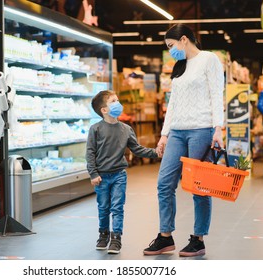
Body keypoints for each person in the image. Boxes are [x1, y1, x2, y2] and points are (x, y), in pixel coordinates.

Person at [143, 24, 225, 257]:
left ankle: (198, 239)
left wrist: (218, 129)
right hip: (177, 131)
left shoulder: (209, 59)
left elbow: (217, 94)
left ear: (184, 40)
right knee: (164, 183)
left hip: (201, 129)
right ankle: (165, 237)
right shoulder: (179, 68)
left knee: (199, 187)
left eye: (171, 45)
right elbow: (173, 105)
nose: (170, 51)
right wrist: (164, 135)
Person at [86, 90, 158, 254]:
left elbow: (137, 149)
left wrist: (155, 153)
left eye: (117, 100)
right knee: (103, 207)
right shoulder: (95, 129)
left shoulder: (126, 129)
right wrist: (93, 173)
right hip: (101, 176)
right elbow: (90, 153)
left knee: (117, 207)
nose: (118, 104)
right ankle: (103, 234)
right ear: (104, 110)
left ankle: (116, 238)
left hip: (119, 174)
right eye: (113, 101)